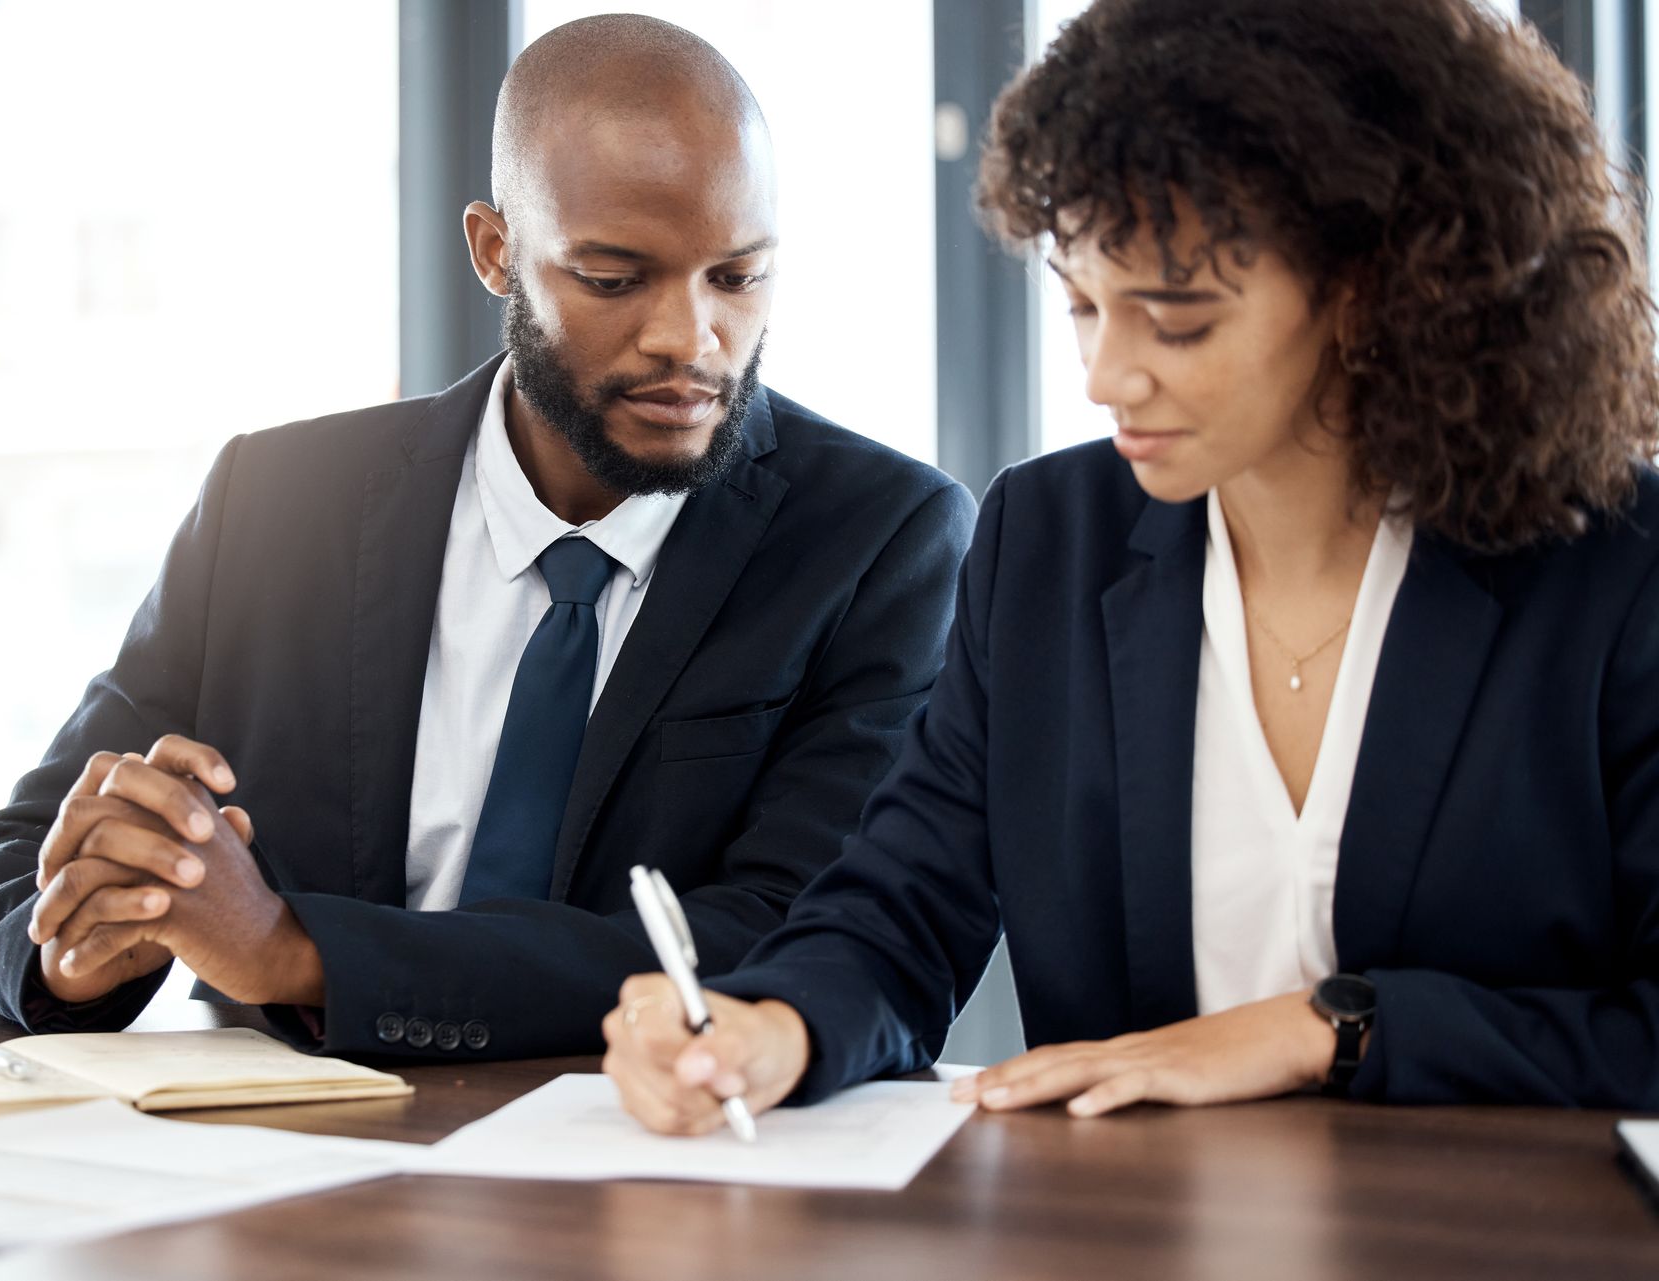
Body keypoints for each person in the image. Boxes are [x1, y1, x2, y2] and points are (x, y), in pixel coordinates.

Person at [603, 0, 1659, 1128]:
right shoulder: (1050, 538)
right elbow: (902, 901)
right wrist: (775, 1028)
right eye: (1084, 307)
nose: (1107, 375)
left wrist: (1327, 1031)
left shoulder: (1613, 566)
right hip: (1133, 1230)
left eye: (1177, 322)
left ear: (1371, 295)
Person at [0, 15, 974, 1060]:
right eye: (616, 279)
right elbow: (10, 857)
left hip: (650, 1162)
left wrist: (296, 952)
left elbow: (797, 936)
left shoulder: (882, 542)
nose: (689, 339)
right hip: (288, 1162)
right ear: (495, 251)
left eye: (738, 278)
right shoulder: (278, 502)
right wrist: (77, 948)